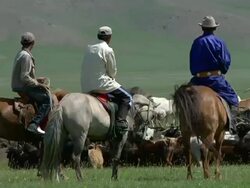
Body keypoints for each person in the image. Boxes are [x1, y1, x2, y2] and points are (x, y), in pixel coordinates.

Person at [189, 16, 239, 134]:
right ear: (214, 29)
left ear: (202, 28)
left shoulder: (196, 42)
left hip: (198, 79)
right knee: (233, 98)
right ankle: (232, 125)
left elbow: (192, 63)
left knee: (185, 98)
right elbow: (225, 61)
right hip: (215, 79)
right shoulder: (219, 42)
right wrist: (223, 70)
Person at [81, 26, 132, 137]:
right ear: (109, 37)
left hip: (85, 85)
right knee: (127, 97)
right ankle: (120, 122)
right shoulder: (107, 50)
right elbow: (112, 71)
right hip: (102, 84)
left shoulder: (89, 48)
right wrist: (111, 77)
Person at [11, 32, 52, 135]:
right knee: (47, 99)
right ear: (33, 43)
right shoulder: (26, 56)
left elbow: (24, 75)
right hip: (23, 87)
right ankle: (34, 124)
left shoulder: (20, 54)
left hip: (20, 84)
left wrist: (36, 79)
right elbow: (24, 77)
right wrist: (39, 84)